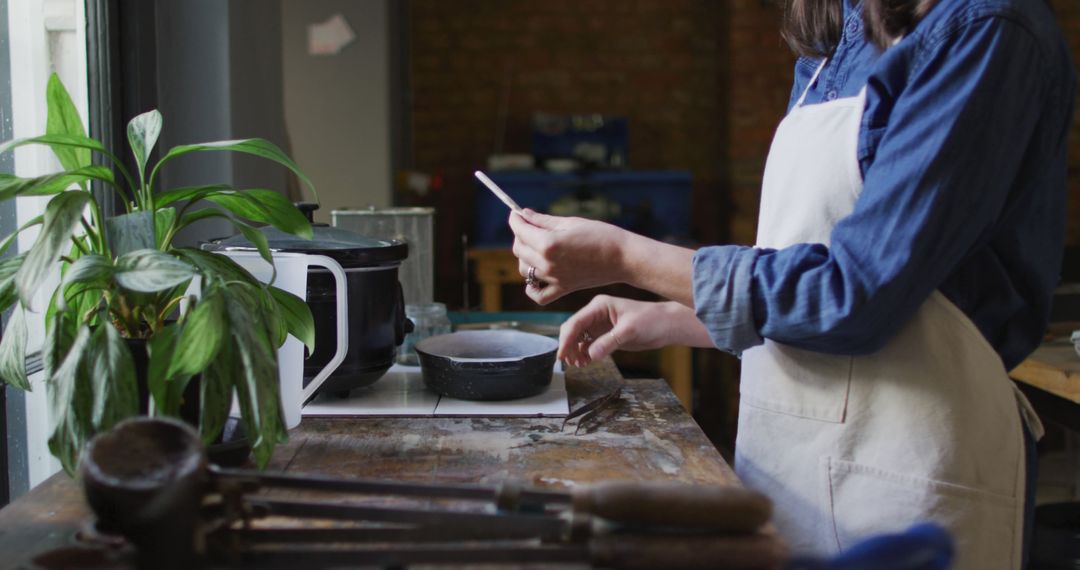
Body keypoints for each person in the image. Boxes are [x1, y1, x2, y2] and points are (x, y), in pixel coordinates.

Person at [508, 0, 1076, 568]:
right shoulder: (834, 40)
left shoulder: (983, 26)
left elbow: (856, 295)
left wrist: (623, 255)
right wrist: (680, 316)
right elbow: (812, 270)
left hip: (909, 471)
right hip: (789, 462)